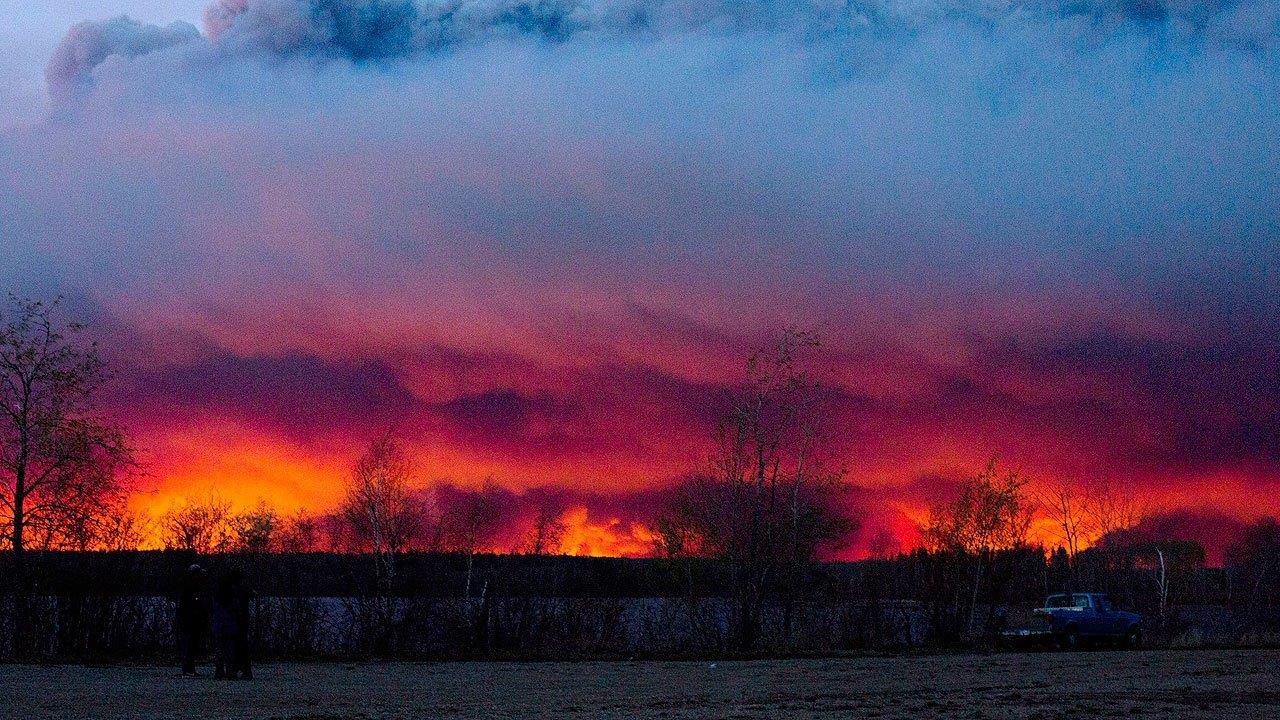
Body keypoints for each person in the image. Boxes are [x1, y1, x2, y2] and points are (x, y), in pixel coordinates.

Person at [212, 568, 256, 680]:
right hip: (234, 625)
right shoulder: (237, 594)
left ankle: (221, 671)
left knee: (221, 649)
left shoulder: (219, 596)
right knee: (233, 649)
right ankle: (233, 671)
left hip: (221, 625)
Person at [174, 564, 206, 676]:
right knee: (188, 645)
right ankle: (187, 670)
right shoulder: (189, 587)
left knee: (191, 646)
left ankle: (190, 669)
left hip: (192, 620)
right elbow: (185, 606)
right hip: (188, 621)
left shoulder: (191, 586)